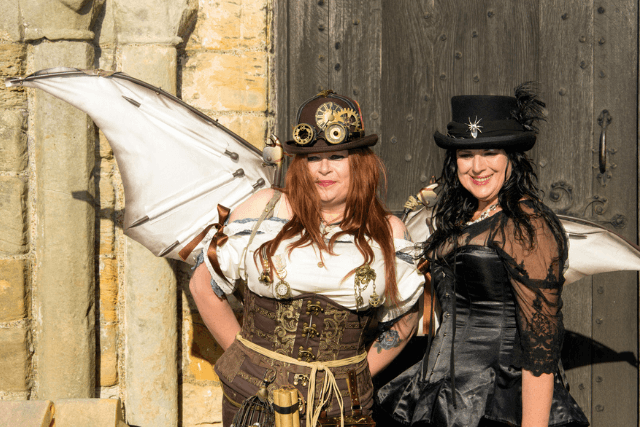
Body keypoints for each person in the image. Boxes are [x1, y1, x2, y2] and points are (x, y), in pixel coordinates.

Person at [189, 90, 424, 426]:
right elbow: (203, 285)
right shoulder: (264, 209)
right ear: (300, 164)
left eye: (337, 156)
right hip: (255, 401)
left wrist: (356, 375)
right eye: (312, 158)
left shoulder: (388, 232)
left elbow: (405, 320)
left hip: (344, 408)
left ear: (359, 162)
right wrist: (246, 358)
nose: (323, 169)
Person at [377, 87, 590, 427]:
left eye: (490, 152)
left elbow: (541, 349)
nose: (477, 166)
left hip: (499, 407)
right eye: (465, 154)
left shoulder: (526, 226)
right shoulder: (462, 220)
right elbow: (420, 314)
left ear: (511, 157)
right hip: (442, 398)